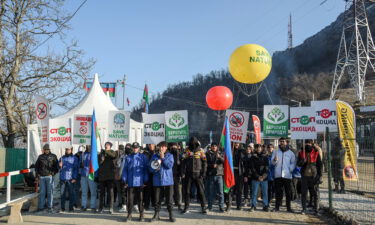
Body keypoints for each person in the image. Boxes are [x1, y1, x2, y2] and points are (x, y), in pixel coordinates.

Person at [122, 142, 149, 222]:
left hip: (140, 182)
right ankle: (129, 214)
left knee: (140, 199)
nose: (135, 149)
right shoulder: (128, 157)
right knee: (130, 200)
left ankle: (141, 215)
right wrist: (124, 180)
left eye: (136, 148)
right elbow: (125, 170)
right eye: (134, 147)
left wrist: (145, 180)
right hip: (130, 182)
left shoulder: (143, 157)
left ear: (139, 148)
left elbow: (145, 170)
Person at [150, 141, 175, 222]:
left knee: (169, 199)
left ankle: (171, 214)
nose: (161, 148)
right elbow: (150, 168)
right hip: (157, 181)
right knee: (157, 199)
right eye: (160, 147)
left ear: (166, 148)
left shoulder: (170, 156)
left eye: (163, 147)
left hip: (168, 181)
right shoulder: (154, 156)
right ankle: (156, 214)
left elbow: (169, 166)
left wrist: (163, 158)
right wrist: (155, 168)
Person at [181, 137, 207, 214]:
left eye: (194, 143)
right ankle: (186, 207)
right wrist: (183, 172)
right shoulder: (187, 150)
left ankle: (203, 208)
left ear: (196, 143)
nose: (193, 144)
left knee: (201, 191)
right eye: (191, 143)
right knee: (187, 192)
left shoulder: (201, 150)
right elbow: (183, 162)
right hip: (188, 174)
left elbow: (205, 162)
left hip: (198, 174)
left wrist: (203, 172)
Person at [297, 140, 323, 215]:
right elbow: (298, 164)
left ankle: (316, 210)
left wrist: (320, 176)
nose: (308, 144)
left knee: (315, 193)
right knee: (304, 193)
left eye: (309, 143)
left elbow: (320, 165)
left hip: (314, 176)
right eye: (306, 143)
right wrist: (303, 161)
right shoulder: (301, 152)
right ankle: (304, 209)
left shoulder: (316, 152)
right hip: (304, 176)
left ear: (312, 144)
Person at [271, 137, 296, 213]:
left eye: (283, 141)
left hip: (287, 175)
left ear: (286, 142)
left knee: (288, 192)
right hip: (278, 175)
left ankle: (288, 208)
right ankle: (277, 207)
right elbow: (272, 163)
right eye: (280, 141)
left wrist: (290, 169)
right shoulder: (275, 152)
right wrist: (274, 160)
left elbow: (293, 163)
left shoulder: (290, 153)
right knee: (278, 192)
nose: (282, 143)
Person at [35, 144, 59, 213]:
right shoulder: (40, 157)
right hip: (42, 177)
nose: (46, 150)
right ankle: (41, 207)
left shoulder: (53, 156)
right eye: (45, 149)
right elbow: (36, 167)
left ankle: (50, 206)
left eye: (47, 149)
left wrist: (52, 173)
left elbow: (56, 167)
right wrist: (37, 176)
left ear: (49, 149)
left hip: (49, 177)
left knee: (50, 192)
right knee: (42, 192)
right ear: (43, 150)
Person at [249, 144, 269, 212]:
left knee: (265, 193)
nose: (258, 149)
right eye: (257, 148)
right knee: (254, 192)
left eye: (260, 148)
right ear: (255, 148)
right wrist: (258, 176)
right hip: (255, 178)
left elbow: (267, 167)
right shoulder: (252, 157)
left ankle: (265, 205)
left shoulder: (265, 157)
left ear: (261, 148)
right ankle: (253, 205)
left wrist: (263, 176)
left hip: (264, 178)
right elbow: (252, 168)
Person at [98, 142, 117, 214]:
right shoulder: (101, 153)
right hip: (102, 176)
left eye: (108, 145)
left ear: (110, 146)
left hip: (110, 176)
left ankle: (111, 208)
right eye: (105, 145)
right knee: (101, 193)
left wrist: (105, 151)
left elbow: (113, 156)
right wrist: (101, 159)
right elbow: (98, 162)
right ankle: (101, 208)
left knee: (110, 193)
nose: (106, 146)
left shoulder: (112, 152)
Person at [205, 142, 225, 212]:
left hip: (219, 175)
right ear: (211, 147)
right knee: (211, 192)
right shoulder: (207, 153)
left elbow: (224, 161)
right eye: (213, 146)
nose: (214, 147)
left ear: (217, 147)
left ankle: (221, 206)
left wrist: (219, 157)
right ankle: (209, 206)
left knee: (220, 192)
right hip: (211, 175)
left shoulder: (220, 153)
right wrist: (211, 165)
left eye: (215, 146)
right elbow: (205, 163)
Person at [59, 147, 79, 212]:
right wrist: (59, 165)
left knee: (71, 194)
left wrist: (74, 178)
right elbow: (58, 168)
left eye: (69, 149)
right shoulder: (62, 158)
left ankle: (71, 208)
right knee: (62, 194)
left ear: (71, 150)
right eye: (66, 149)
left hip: (71, 179)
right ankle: (62, 208)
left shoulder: (74, 158)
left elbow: (76, 169)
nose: (67, 151)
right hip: (63, 178)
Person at [80, 145, 97, 212]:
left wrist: (96, 175)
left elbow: (96, 166)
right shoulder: (83, 154)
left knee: (93, 192)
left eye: (90, 145)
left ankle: (93, 206)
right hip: (83, 175)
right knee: (84, 192)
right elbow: (79, 164)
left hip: (91, 174)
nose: (88, 147)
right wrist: (80, 165)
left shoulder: (94, 154)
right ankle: (83, 205)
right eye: (87, 146)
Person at [232, 142, 246, 210]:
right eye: (235, 143)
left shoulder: (242, 151)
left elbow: (244, 160)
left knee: (239, 190)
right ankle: (228, 204)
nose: (236, 144)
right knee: (231, 189)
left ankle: (239, 205)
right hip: (231, 172)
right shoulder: (230, 150)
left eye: (237, 143)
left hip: (240, 173)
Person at [169, 142, 183, 211]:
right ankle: (170, 203)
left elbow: (181, 165)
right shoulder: (168, 154)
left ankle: (179, 203)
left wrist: (181, 173)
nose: (174, 147)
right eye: (172, 146)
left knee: (177, 190)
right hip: (169, 174)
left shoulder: (179, 155)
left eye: (175, 146)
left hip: (177, 174)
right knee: (170, 190)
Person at [143, 143, 156, 210]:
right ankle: (146, 204)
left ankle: (154, 203)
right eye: (150, 145)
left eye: (152, 144)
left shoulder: (156, 152)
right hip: (147, 173)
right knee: (147, 190)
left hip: (155, 174)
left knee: (154, 189)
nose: (151, 146)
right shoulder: (145, 153)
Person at [114, 144, 126, 212]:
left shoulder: (125, 157)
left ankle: (125, 204)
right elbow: (116, 165)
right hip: (117, 176)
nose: (120, 150)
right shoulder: (117, 156)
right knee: (119, 190)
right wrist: (116, 158)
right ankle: (120, 203)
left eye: (121, 149)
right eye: (119, 149)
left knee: (123, 191)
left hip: (123, 176)